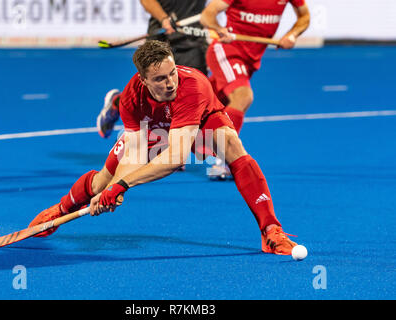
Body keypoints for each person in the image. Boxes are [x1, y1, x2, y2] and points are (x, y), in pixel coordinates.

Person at [29, 40, 299, 255]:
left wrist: (122, 186)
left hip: (199, 120)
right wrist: (116, 186)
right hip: (154, 127)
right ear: (143, 80)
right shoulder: (131, 99)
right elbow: (134, 152)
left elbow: (175, 158)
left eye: (171, 73)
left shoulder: (191, 86)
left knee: (231, 144)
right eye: (160, 79)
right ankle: (61, 209)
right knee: (102, 182)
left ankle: (271, 229)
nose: (170, 82)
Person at [201, 0, 310, 178]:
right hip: (227, 50)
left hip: (250, 60)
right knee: (243, 97)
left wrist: (292, 35)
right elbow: (208, 14)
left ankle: (163, 136)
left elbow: (304, 15)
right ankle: (223, 159)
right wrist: (219, 29)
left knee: (206, 102)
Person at [96, 0, 209, 139]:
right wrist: (163, 18)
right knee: (152, 99)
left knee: (195, 95)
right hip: (162, 37)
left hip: (193, 39)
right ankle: (118, 103)